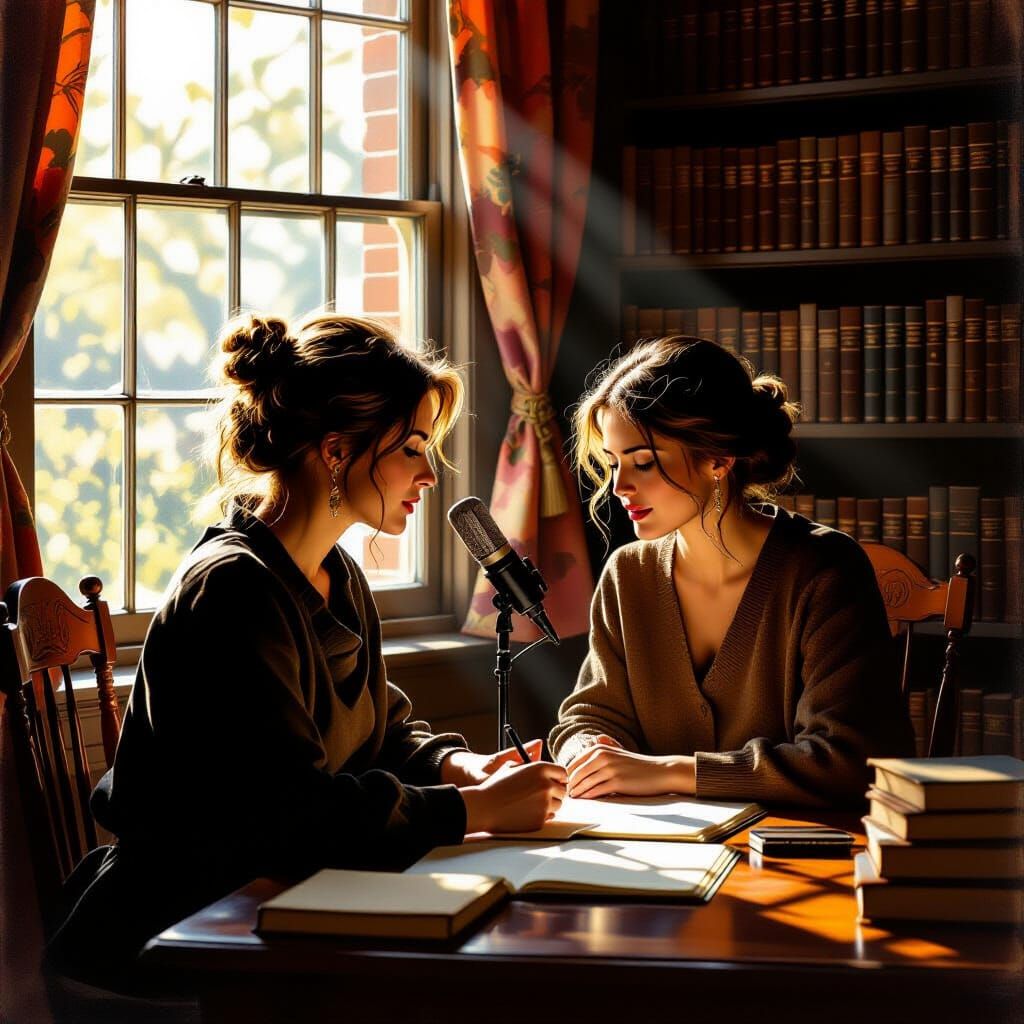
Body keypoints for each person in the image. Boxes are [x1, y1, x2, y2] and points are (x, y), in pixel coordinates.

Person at [51, 313, 566, 983]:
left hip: (285, 900)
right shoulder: (235, 591)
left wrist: (457, 769)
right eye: (412, 447)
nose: (430, 475)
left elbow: (381, 729)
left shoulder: (337, 574)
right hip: (183, 929)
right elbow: (290, 814)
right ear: (335, 451)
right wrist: (473, 811)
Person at [548, 336, 914, 808]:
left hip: (798, 851)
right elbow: (590, 714)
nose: (620, 486)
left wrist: (672, 772)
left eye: (643, 462)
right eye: (614, 463)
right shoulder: (628, 574)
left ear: (718, 460)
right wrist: (586, 750)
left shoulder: (825, 570)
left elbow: (849, 762)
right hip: (662, 852)